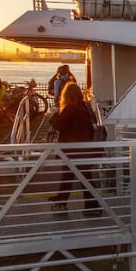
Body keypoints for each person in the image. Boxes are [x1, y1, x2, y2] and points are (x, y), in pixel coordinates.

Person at [49, 82, 100, 214]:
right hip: (84, 149)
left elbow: (60, 125)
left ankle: (92, 207)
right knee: (72, 175)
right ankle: (61, 201)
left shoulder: (70, 108)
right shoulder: (86, 107)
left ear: (66, 95)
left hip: (73, 150)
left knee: (82, 177)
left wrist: (53, 116)